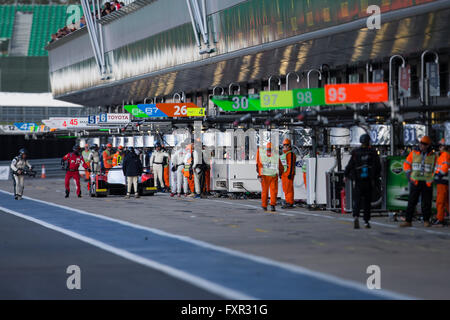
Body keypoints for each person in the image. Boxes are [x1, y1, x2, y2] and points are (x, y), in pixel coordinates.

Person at [344, 134, 381, 229]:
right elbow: (378, 167)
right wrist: (376, 179)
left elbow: (350, 165)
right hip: (369, 180)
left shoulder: (356, 152)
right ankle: (366, 221)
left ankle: (356, 216)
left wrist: (346, 175)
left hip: (358, 180)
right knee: (367, 202)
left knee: (357, 200)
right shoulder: (372, 152)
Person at [401, 136, 436, 228]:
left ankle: (426, 220)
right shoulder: (413, 153)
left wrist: (432, 179)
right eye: (421, 143)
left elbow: (436, 168)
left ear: (428, 145)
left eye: (424, 144)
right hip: (415, 181)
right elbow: (406, 164)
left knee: (426, 202)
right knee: (412, 202)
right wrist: (409, 176)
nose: (421, 145)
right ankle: (408, 221)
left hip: (427, 181)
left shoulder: (433, 155)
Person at [256, 142, 284, 212]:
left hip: (264, 176)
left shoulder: (263, 156)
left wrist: (260, 175)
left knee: (265, 191)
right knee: (273, 191)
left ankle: (264, 205)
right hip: (273, 175)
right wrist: (281, 173)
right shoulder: (276, 156)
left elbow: (260, 166)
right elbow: (280, 166)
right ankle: (272, 205)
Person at [434, 138, 450, 227]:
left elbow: (444, 167)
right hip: (443, 180)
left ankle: (440, 219)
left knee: (440, 201)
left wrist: (439, 175)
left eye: (441, 145)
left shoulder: (445, 155)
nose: (439, 147)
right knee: (447, 201)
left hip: (443, 180)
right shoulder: (443, 155)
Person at [280, 138, 296, 209]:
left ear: (289, 146)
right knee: (285, 189)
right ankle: (288, 201)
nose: (285, 146)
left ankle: (290, 202)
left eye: (287, 145)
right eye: (284, 145)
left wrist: (290, 173)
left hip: (288, 174)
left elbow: (291, 165)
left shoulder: (290, 154)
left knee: (288, 189)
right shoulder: (284, 154)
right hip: (284, 174)